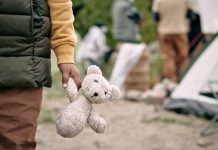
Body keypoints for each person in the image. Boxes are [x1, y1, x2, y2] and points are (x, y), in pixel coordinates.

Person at [0, 0, 81, 149]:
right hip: (27, 62)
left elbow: (60, 4)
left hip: (24, 63)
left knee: (15, 141)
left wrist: (65, 54)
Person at [152, 0, 194, 82]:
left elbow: (155, 17)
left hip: (164, 31)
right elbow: (190, 14)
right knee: (183, 57)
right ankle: (184, 79)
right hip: (180, 30)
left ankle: (171, 80)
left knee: (167, 58)